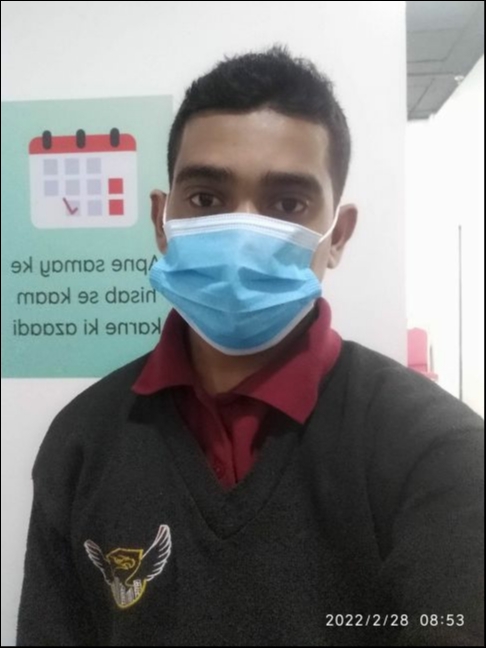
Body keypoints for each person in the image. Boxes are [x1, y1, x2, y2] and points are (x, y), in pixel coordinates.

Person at [17, 46, 484, 647]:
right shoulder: (81, 442)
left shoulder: (436, 452)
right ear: (162, 222)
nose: (241, 233)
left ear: (338, 235)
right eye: (206, 199)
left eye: (287, 204)